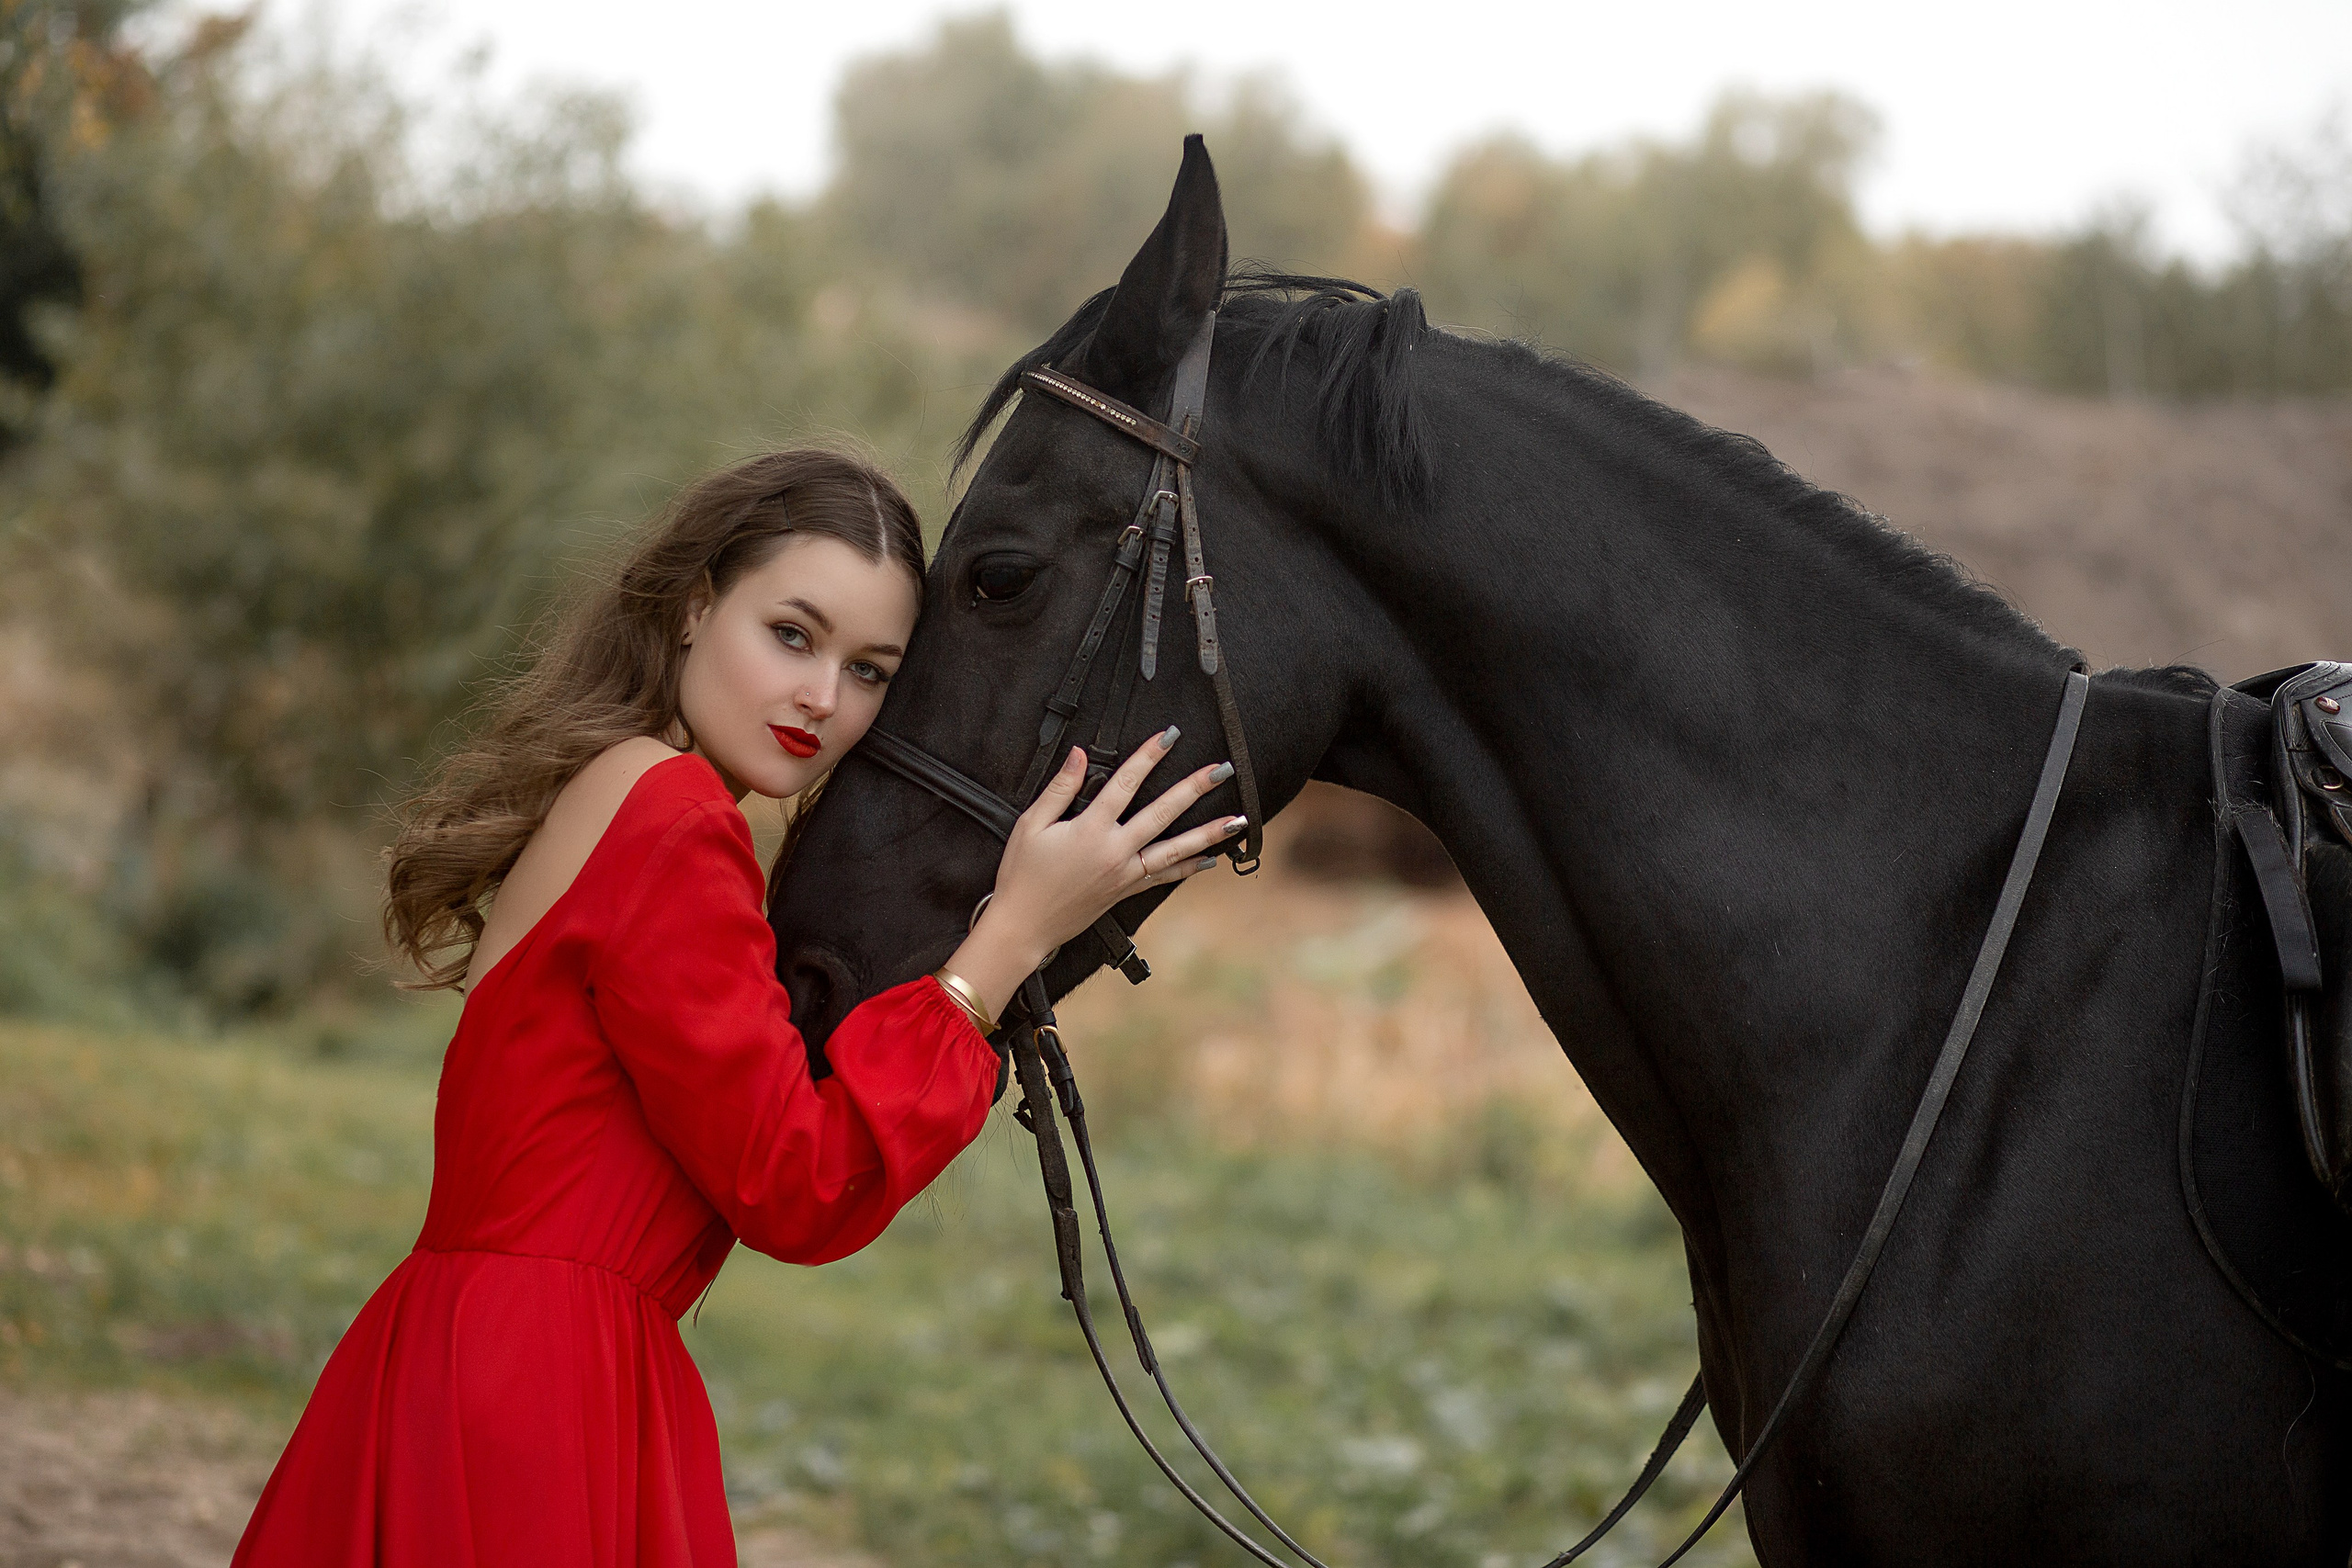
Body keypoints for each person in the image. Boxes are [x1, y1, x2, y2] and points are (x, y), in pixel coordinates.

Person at [231, 448, 1246, 1565]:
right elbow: (795, 1181)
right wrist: (1008, 941)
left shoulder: (612, 787)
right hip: (542, 1385)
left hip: (455, 1348)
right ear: (693, 605)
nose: (823, 699)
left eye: (870, 671)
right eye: (792, 635)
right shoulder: (674, 820)